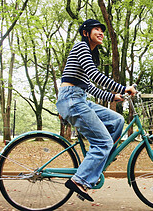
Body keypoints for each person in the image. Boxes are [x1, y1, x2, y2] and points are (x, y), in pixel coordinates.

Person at [56, 19, 136, 202]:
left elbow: (88, 86)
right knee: (104, 142)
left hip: (78, 98)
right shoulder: (81, 47)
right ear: (86, 33)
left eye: (102, 30)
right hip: (71, 100)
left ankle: (99, 156)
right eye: (96, 29)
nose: (101, 32)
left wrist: (113, 96)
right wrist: (122, 87)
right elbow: (94, 75)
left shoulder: (90, 53)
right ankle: (79, 180)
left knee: (117, 120)